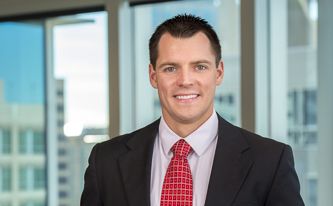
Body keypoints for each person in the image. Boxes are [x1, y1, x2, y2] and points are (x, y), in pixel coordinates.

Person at [81, 14, 304, 206]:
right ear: (153, 76)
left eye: (199, 67)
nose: (185, 80)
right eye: (170, 68)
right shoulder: (106, 162)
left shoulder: (270, 162)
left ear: (218, 73)